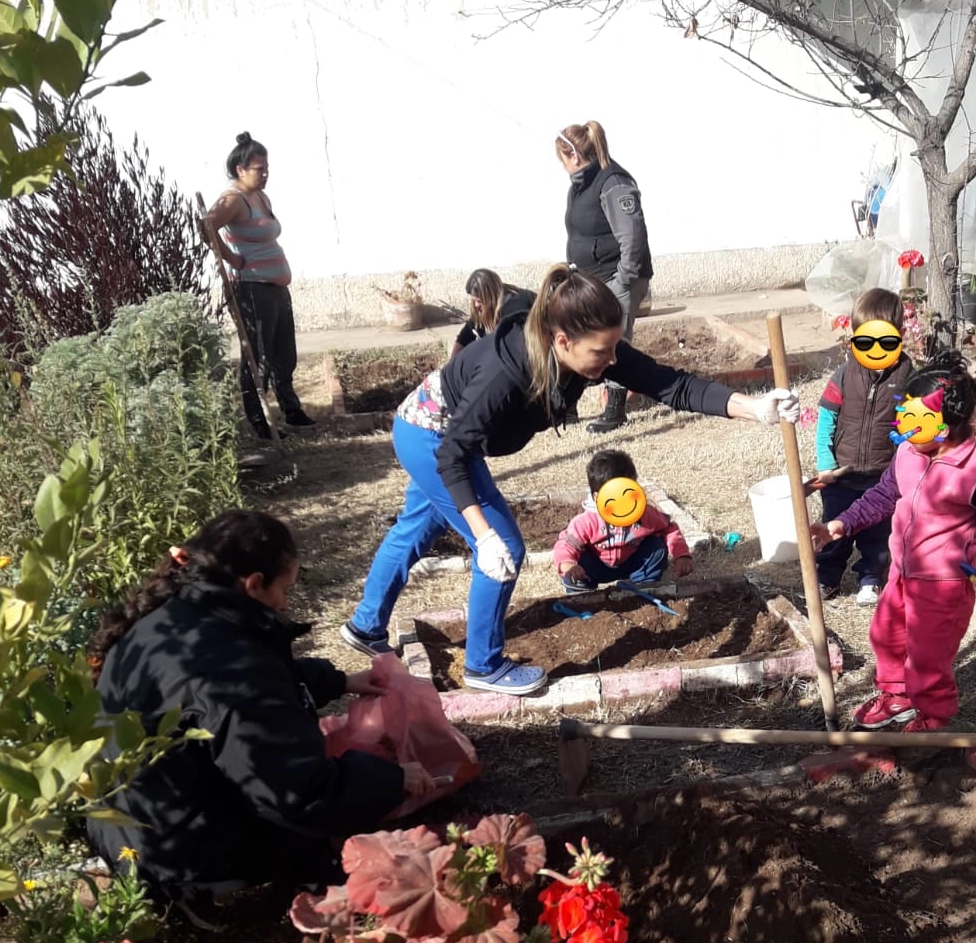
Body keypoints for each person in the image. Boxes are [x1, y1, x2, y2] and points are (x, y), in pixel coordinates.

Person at [340, 265, 798, 695]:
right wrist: (484, 537)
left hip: (437, 435)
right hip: (431, 436)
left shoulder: (591, 346)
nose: (612, 359)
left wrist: (753, 408)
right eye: (602, 351)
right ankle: (483, 665)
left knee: (415, 530)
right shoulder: (506, 372)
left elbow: (670, 383)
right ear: (561, 340)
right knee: (504, 546)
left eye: (614, 347)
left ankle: (365, 626)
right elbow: (453, 455)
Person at [88, 509, 428, 927]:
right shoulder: (230, 665)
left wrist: (338, 680)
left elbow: (255, 692)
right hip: (172, 847)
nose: (286, 602)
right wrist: (394, 780)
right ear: (253, 584)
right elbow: (296, 794)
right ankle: (192, 891)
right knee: (313, 833)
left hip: (123, 824)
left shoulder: (179, 614)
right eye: (285, 588)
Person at [809, 351, 976, 733]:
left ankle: (934, 715)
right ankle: (898, 697)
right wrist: (839, 524)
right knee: (885, 635)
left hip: (944, 586)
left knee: (927, 655)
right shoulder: (907, 452)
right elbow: (883, 496)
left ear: (947, 424)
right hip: (903, 573)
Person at [204, 133, 314, 441]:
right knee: (259, 357)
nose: (264, 174)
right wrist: (232, 259)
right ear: (240, 170)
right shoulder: (232, 199)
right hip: (253, 289)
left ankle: (292, 411)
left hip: (276, 286)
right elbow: (206, 226)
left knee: (284, 354)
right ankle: (260, 423)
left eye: (266, 168)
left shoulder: (260, 197)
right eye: (258, 169)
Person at [814, 288, 914, 606]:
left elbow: (910, 428)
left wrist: (902, 468)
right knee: (835, 526)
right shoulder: (844, 376)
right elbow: (826, 420)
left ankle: (869, 578)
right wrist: (825, 461)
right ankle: (827, 578)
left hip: (882, 477)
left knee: (877, 534)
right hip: (842, 473)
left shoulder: (908, 378)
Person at [557, 121, 653, 435]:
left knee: (614, 343)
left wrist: (623, 278)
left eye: (562, 159)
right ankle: (568, 406)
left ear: (571, 155)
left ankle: (615, 409)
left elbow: (632, 235)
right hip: (592, 279)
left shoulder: (613, 182)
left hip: (616, 278)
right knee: (583, 338)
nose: (562, 166)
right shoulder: (581, 183)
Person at [554, 448, 692, 590]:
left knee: (656, 548)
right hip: (596, 566)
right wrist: (569, 565)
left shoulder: (644, 514)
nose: (624, 502)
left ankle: (644, 585)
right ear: (597, 497)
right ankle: (581, 592)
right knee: (576, 566)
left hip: (632, 562)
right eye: (617, 496)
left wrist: (681, 555)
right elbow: (566, 545)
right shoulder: (587, 521)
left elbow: (668, 528)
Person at [450, 270, 537, 358]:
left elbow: (513, 351)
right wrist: (450, 367)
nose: (476, 305)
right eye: (474, 300)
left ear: (491, 297)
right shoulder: (482, 310)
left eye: (479, 301)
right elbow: (464, 337)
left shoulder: (514, 311)